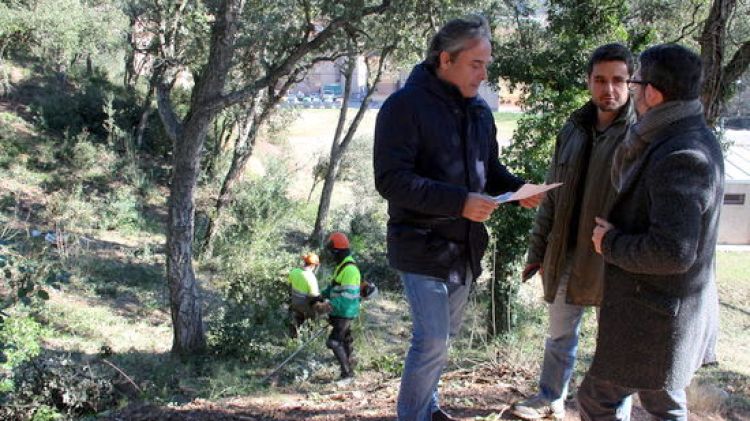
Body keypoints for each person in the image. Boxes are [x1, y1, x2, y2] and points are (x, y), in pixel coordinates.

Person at [373, 15, 543, 421]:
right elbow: (391, 181)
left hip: (464, 248)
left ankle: (428, 409)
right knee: (430, 340)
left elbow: (490, 171)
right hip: (420, 243)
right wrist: (460, 202)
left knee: (443, 340)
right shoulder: (403, 107)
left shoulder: (480, 113)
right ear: (445, 59)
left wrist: (520, 190)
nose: (484, 75)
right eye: (476, 64)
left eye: (486, 65)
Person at [581, 43, 723, 420]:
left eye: (635, 80)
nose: (630, 89)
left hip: (656, 318)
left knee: (596, 401)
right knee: (664, 404)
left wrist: (609, 242)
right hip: (664, 316)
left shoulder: (682, 155)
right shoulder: (686, 135)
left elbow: (673, 252)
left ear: (653, 94)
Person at [511, 43, 636, 420]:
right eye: (600, 80)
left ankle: (616, 411)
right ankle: (550, 398)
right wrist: (537, 252)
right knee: (559, 335)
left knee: (614, 346)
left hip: (613, 261)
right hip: (565, 254)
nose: (608, 89)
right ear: (588, 82)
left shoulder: (639, 134)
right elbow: (551, 195)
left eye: (618, 80)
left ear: (631, 83)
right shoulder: (573, 128)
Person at [321, 231, 361, 380]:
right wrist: (320, 295)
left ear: (338, 251)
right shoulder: (342, 267)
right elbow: (334, 287)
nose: (332, 256)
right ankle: (350, 368)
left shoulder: (350, 270)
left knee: (334, 341)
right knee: (344, 341)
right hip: (340, 312)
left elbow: (347, 299)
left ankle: (347, 375)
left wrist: (328, 306)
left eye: (333, 252)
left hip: (345, 312)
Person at [288, 252, 327, 338]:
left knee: (296, 322)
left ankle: (293, 337)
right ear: (313, 265)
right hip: (306, 308)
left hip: (294, 304)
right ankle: (309, 335)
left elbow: (290, 287)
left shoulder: (294, 272)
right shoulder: (311, 278)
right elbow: (315, 297)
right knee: (314, 314)